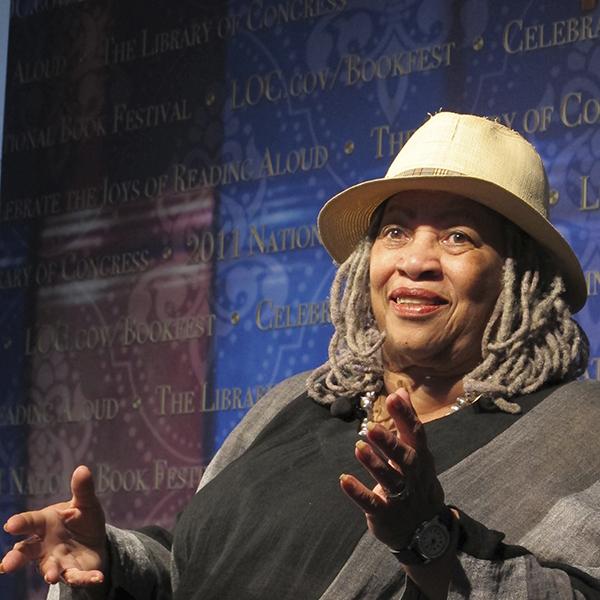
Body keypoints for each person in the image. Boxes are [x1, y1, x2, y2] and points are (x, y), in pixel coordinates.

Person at [1, 112, 598, 599]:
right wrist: (110, 559)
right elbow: (191, 568)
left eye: (457, 237)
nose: (415, 260)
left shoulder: (579, 434)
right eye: (395, 232)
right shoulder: (296, 402)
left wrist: (431, 541)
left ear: (522, 279)